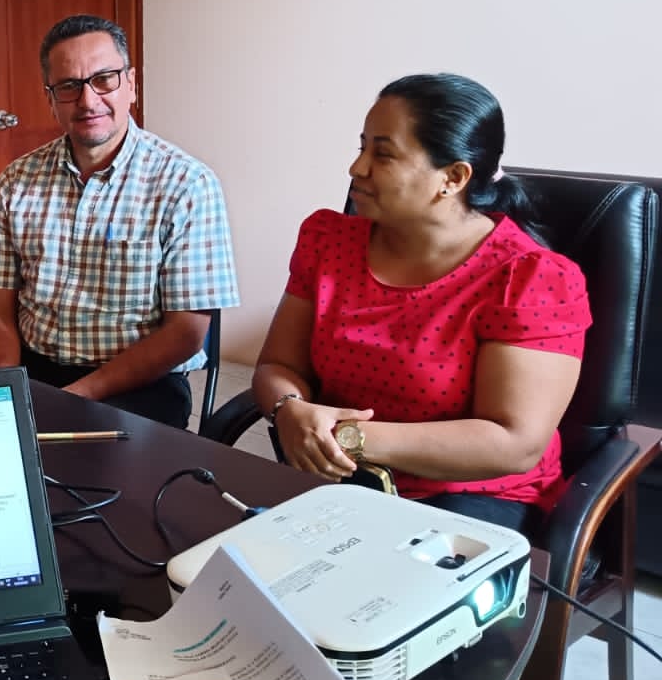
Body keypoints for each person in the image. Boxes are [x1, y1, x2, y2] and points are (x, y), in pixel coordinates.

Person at [250, 74, 592, 535]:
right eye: (361, 147)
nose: (357, 168)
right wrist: (288, 408)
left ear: (453, 178)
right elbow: (277, 364)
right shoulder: (327, 240)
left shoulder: (530, 278)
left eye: (383, 154)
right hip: (340, 480)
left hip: (471, 497)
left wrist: (347, 437)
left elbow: (514, 443)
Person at [0, 14, 239, 428]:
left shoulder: (187, 184)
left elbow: (186, 331)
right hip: (34, 373)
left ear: (131, 83)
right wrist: (8, 391)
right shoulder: (16, 181)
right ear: (50, 98)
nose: (87, 100)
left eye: (104, 79)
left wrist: (78, 396)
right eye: (69, 86)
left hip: (141, 384)